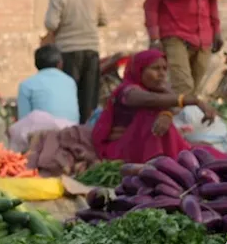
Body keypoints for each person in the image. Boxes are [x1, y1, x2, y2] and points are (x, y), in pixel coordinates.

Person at [92, 49, 220, 164]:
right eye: (155, 69)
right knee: (149, 116)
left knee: (206, 153)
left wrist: (167, 115)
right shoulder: (127, 90)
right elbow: (149, 100)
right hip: (120, 150)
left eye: (164, 69)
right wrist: (192, 101)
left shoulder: (158, 89)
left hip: (139, 146)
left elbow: (173, 106)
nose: (162, 74)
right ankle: (163, 164)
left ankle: (171, 161)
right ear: (140, 70)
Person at [45, 0, 107, 122]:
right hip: (91, 48)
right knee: (89, 96)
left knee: (69, 94)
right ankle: (88, 130)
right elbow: (104, 20)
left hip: (68, 49)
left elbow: (51, 24)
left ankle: (70, 130)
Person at [16, 46, 80, 124]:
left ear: (36, 64)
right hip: (70, 133)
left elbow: (23, 121)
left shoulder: (26, 85)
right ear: (60, 64)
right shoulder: (70, 82)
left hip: (41, 134)